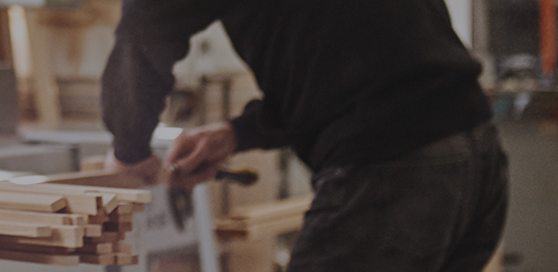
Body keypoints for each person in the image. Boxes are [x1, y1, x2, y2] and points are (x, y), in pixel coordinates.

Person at [101, 0, 508, 270]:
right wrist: (236, 134)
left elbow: (144, 30)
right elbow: (350, 53)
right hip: (474, 152)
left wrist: (129, 149)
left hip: (392, 170)